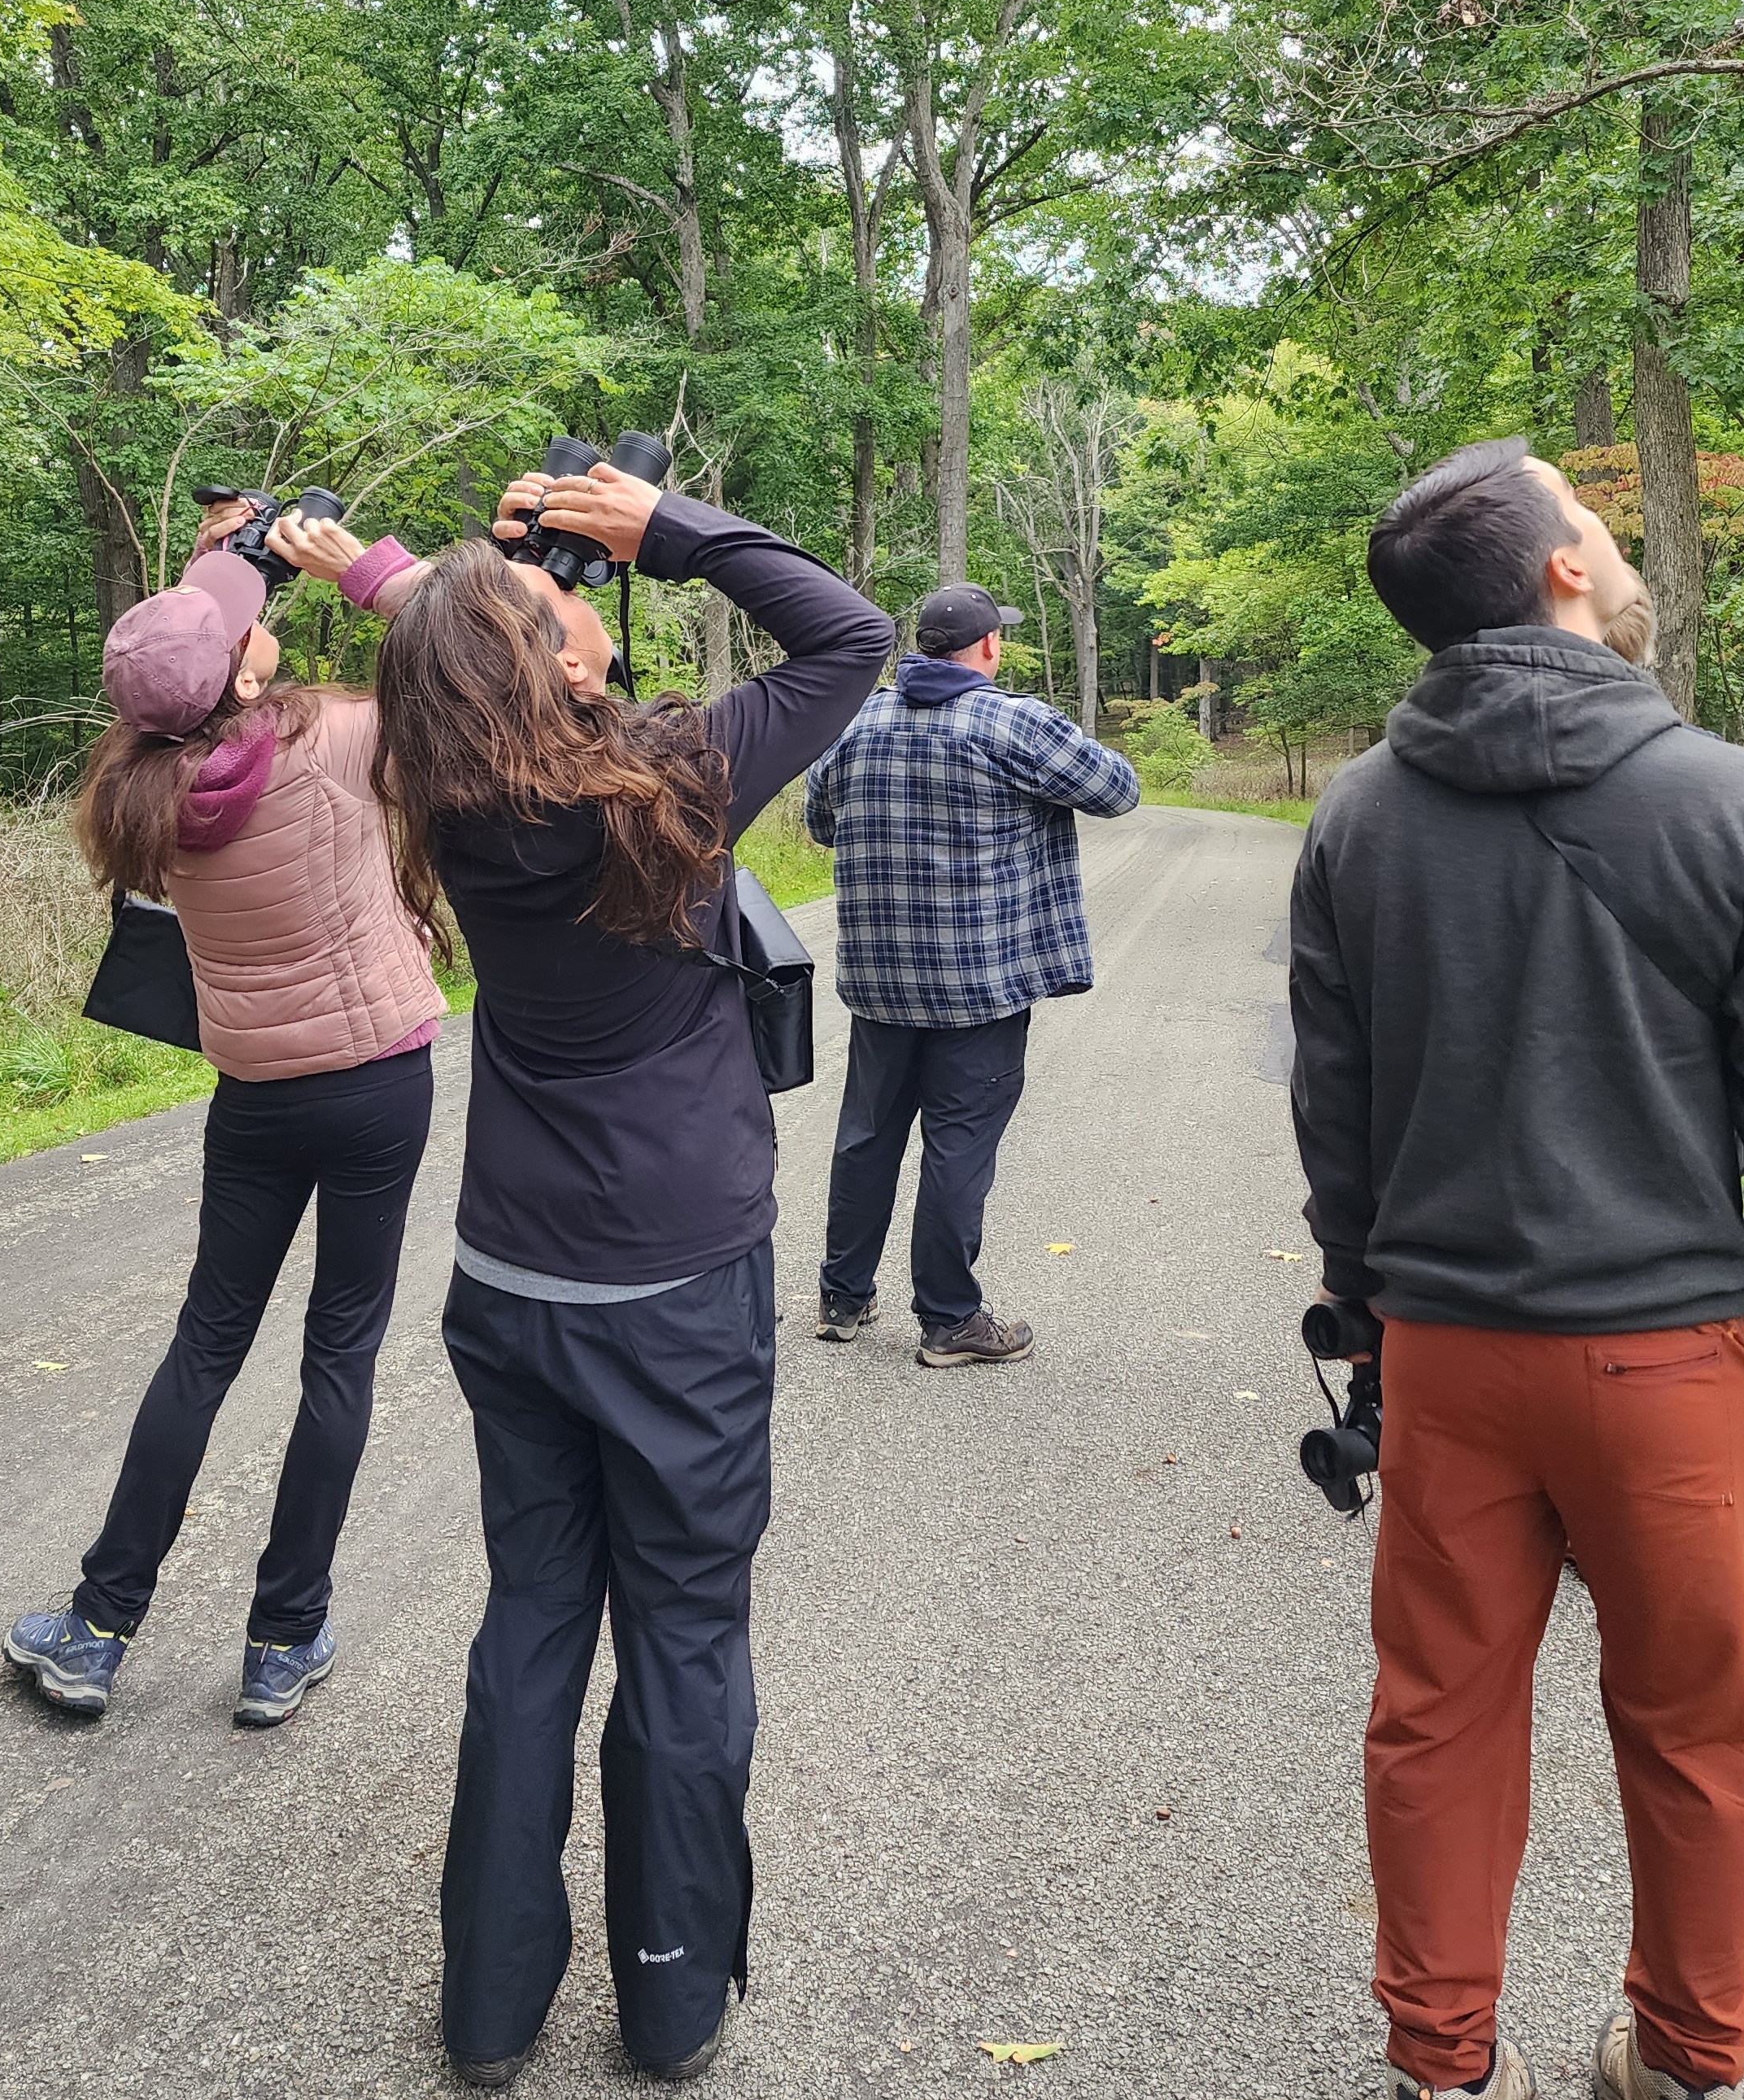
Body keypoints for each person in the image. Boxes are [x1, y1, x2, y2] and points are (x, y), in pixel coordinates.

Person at [1287, 439, 1744, 2100]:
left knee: (1437, 1719)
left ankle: (1446, 2065)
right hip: (1678, 1356)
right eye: (1597, 527)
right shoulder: (1733, 801)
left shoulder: (1360, 815)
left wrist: (1373, 1300)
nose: (1617, 553)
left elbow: (1340, 1111)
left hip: (1452, 1351)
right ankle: (1688, 2054)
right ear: (1555, 572)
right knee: (1695, 1724)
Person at [316, 465, 892, 2087]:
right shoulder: (671, 780)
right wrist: (670, 528)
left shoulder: (446, 792)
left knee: (532, 1622)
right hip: (673, 1288)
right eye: (550, 608)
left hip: (512, 1273)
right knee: (688, 1633)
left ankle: (491, 2007)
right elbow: (846, 637)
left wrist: (454, 592)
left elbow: (440, 653)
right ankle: (668, 1990)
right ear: (564, 669)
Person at [6, 500, 447, 1727]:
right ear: (248, 662)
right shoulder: (344, 737)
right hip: (375, 1085)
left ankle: (97, 1628)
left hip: (254, 1093)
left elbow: (181, 658)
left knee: (205, 1346)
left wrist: (225, 565)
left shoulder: (135, 791)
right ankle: (282, 1637)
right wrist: (356, 563)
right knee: (339, 1354)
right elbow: (457, 669)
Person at [803, 582, 1139, 1365]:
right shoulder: (1013, 720)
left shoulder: (859, 720)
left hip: (881, 982)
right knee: (959, 1144)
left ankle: (843, 1299)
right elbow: (1117, 790)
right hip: (979, 985)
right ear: (989, 646)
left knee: (866, 1137)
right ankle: (950, 1319)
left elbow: (823, 823)